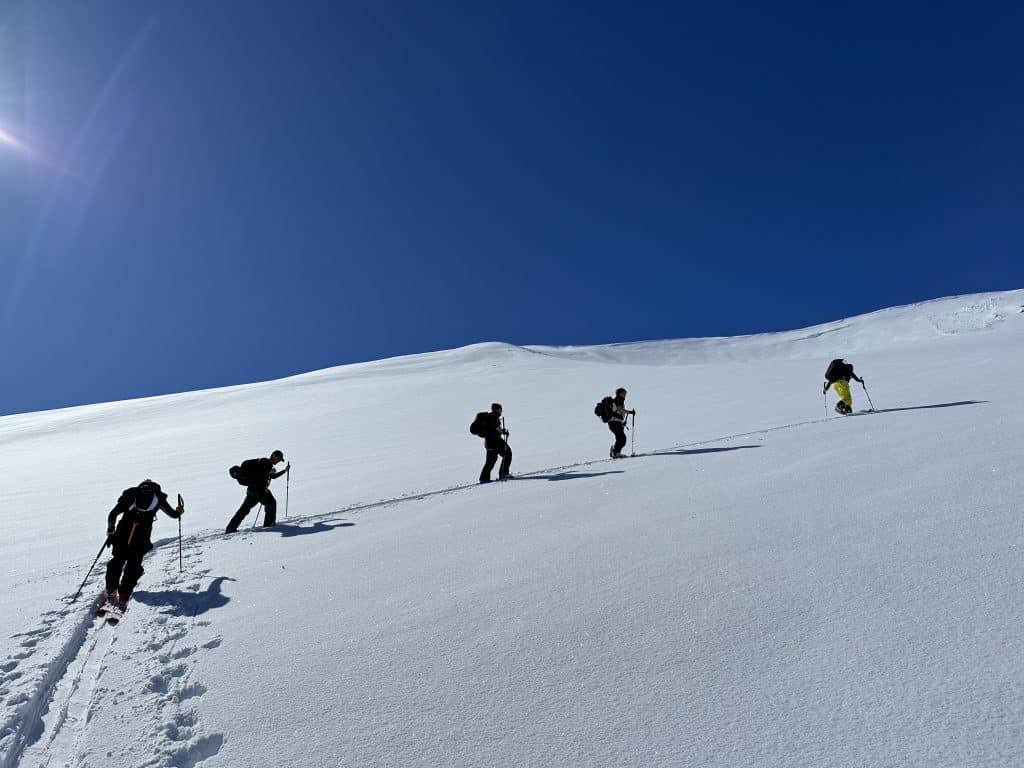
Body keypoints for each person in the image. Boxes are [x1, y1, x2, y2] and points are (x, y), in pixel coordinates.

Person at [103, 479, 183, 612]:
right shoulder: (158, 498)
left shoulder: (130, 496)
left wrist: (110, 531)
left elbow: (112, 514)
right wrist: (180, 510)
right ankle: (123, 596)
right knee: (133, 566)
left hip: (122, 533)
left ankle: (111, 591)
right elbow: (174, 515)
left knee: (117, 561)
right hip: (141, 537)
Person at [225, 449, 290, 532]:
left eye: (279, 460)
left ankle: (230, 528)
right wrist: (268, 472)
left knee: (244, 509)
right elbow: (259, 474)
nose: (278, 462)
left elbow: (271, 477)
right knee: (271, 503)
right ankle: (269, 524)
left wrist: (284, 471)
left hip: (252, 490)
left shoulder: (267, 464)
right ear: (273, 456)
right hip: (260, 491)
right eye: (278, 459)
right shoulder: (264, 462)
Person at [476, 403, 512, 483]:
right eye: (500, 409)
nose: (501, 411)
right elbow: (496, 427)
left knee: (491, 460)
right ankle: (504, 474)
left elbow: (496, 427)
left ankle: (484, 478)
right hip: (495, 441)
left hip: (489, 443)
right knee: (507, 453)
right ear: (496, 409)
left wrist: (503, 431)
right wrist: (503, 432)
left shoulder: (491, 416)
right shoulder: (493, 416)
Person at [608, 387, 635, 458]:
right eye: (624, 393)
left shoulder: (618, 400)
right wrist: (630, 412)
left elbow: (618, 412)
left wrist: (622, 421)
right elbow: (620, 410)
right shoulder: (618, 400)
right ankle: (616, 453)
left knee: (621, 438)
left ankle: (615, 452)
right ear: (620, 393)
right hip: (614, 423)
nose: (625, 395)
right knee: (621, 438)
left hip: (615, 423)